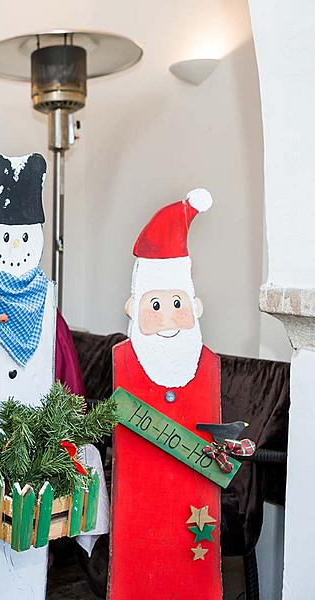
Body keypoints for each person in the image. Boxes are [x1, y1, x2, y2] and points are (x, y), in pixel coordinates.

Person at [110, 189, 220, 598]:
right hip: (139, 509)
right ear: (134, 309)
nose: (168, 317)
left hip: (196, 510)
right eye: (154, 306)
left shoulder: (206, 365)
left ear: (195, 307)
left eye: (176, 303)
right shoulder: (126, 361)